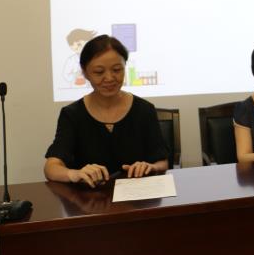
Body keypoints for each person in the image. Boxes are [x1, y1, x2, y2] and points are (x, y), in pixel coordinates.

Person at [44, 35, 169, 187]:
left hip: (137, 196)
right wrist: (74, 174)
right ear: (85, 73)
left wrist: (151, 167)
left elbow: (162, 162)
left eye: (117, 70)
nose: (109, 78)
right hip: (89, 198)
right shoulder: (72, 114)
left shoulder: (144, 110)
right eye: (99, 72)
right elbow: (51, 167)